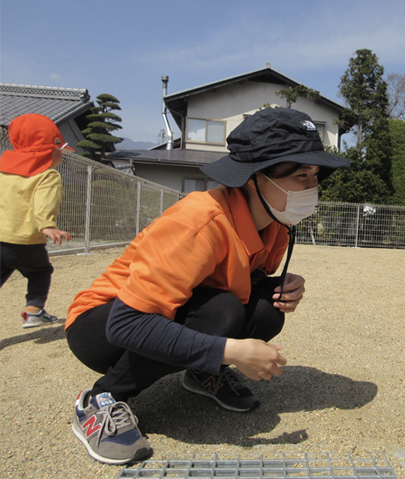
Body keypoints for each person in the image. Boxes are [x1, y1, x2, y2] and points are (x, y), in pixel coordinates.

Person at [65, 108, 350, 466]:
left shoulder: (275, 223)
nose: (313, 187)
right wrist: (230, 352)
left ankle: (202, 373)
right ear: (253, 178)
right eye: (299, 175)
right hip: (100, 324)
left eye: (315, 175)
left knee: (267, 304)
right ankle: (100, 398)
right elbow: (127, 323)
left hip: (155, 313)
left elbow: (240, 279)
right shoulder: (199, 219)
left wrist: (281, 286)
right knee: (221, 312)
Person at [0, 113, 72, 328]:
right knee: (40, 272)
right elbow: (44, 201)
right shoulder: (48, 175)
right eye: (60, 150)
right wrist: (47, 224)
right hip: (26, 243)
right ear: (50, 151)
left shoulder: (3, 172)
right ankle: (34, 311)